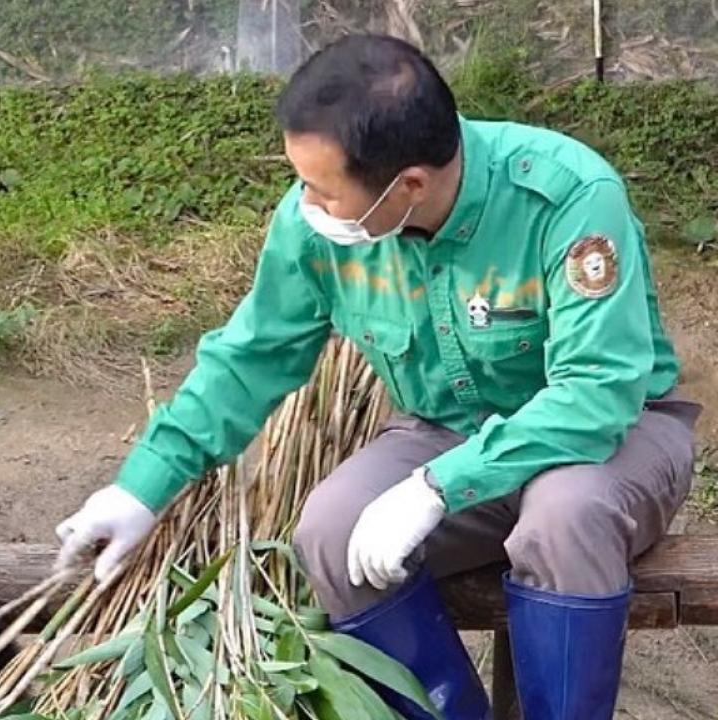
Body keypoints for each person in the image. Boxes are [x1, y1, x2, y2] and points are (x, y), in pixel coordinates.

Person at [54, 33, 702, 720]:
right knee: (330, 531)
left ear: (410, 185)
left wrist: (436, 487)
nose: (306, 204)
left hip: (612, 438)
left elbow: (595, 395)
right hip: (441, 430)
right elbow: (249, 357)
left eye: (322, 189)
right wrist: (143, 487)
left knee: (563, 517)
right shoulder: (316, 227)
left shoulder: (566, 196)